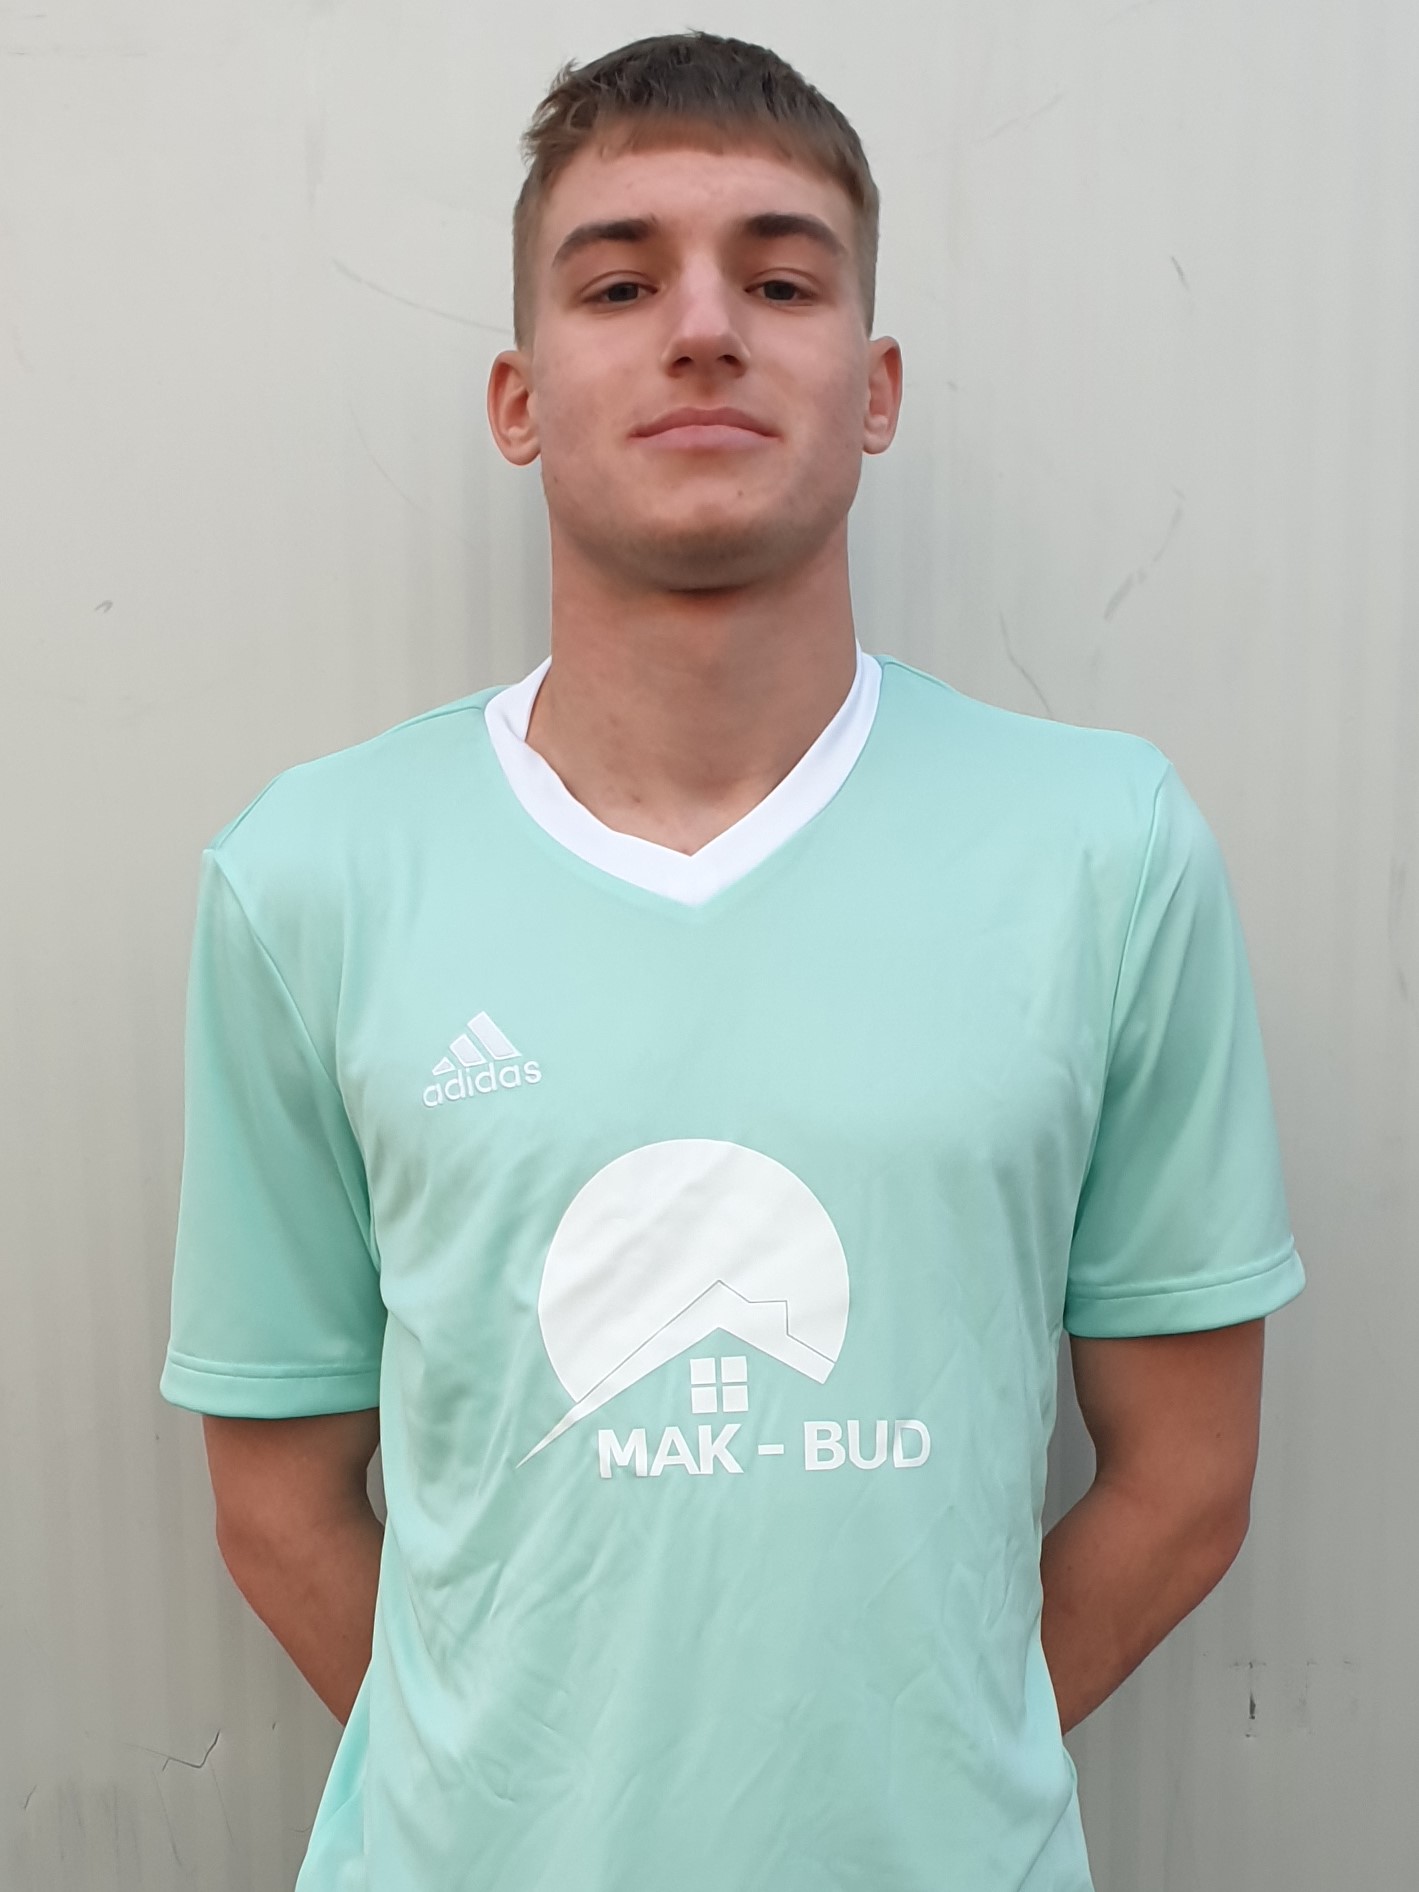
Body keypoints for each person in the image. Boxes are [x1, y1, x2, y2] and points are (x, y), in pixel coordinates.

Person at [159, 29, 1306, 1892]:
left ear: (876, 387)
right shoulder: (311, 877)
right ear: (519, 399)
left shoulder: (1103, 852)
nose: (704, 328)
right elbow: (277, 1499)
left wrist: (925, 1769)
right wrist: (518, 1795)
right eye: (620, 284)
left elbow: (1183, 1481)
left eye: (780, 281)